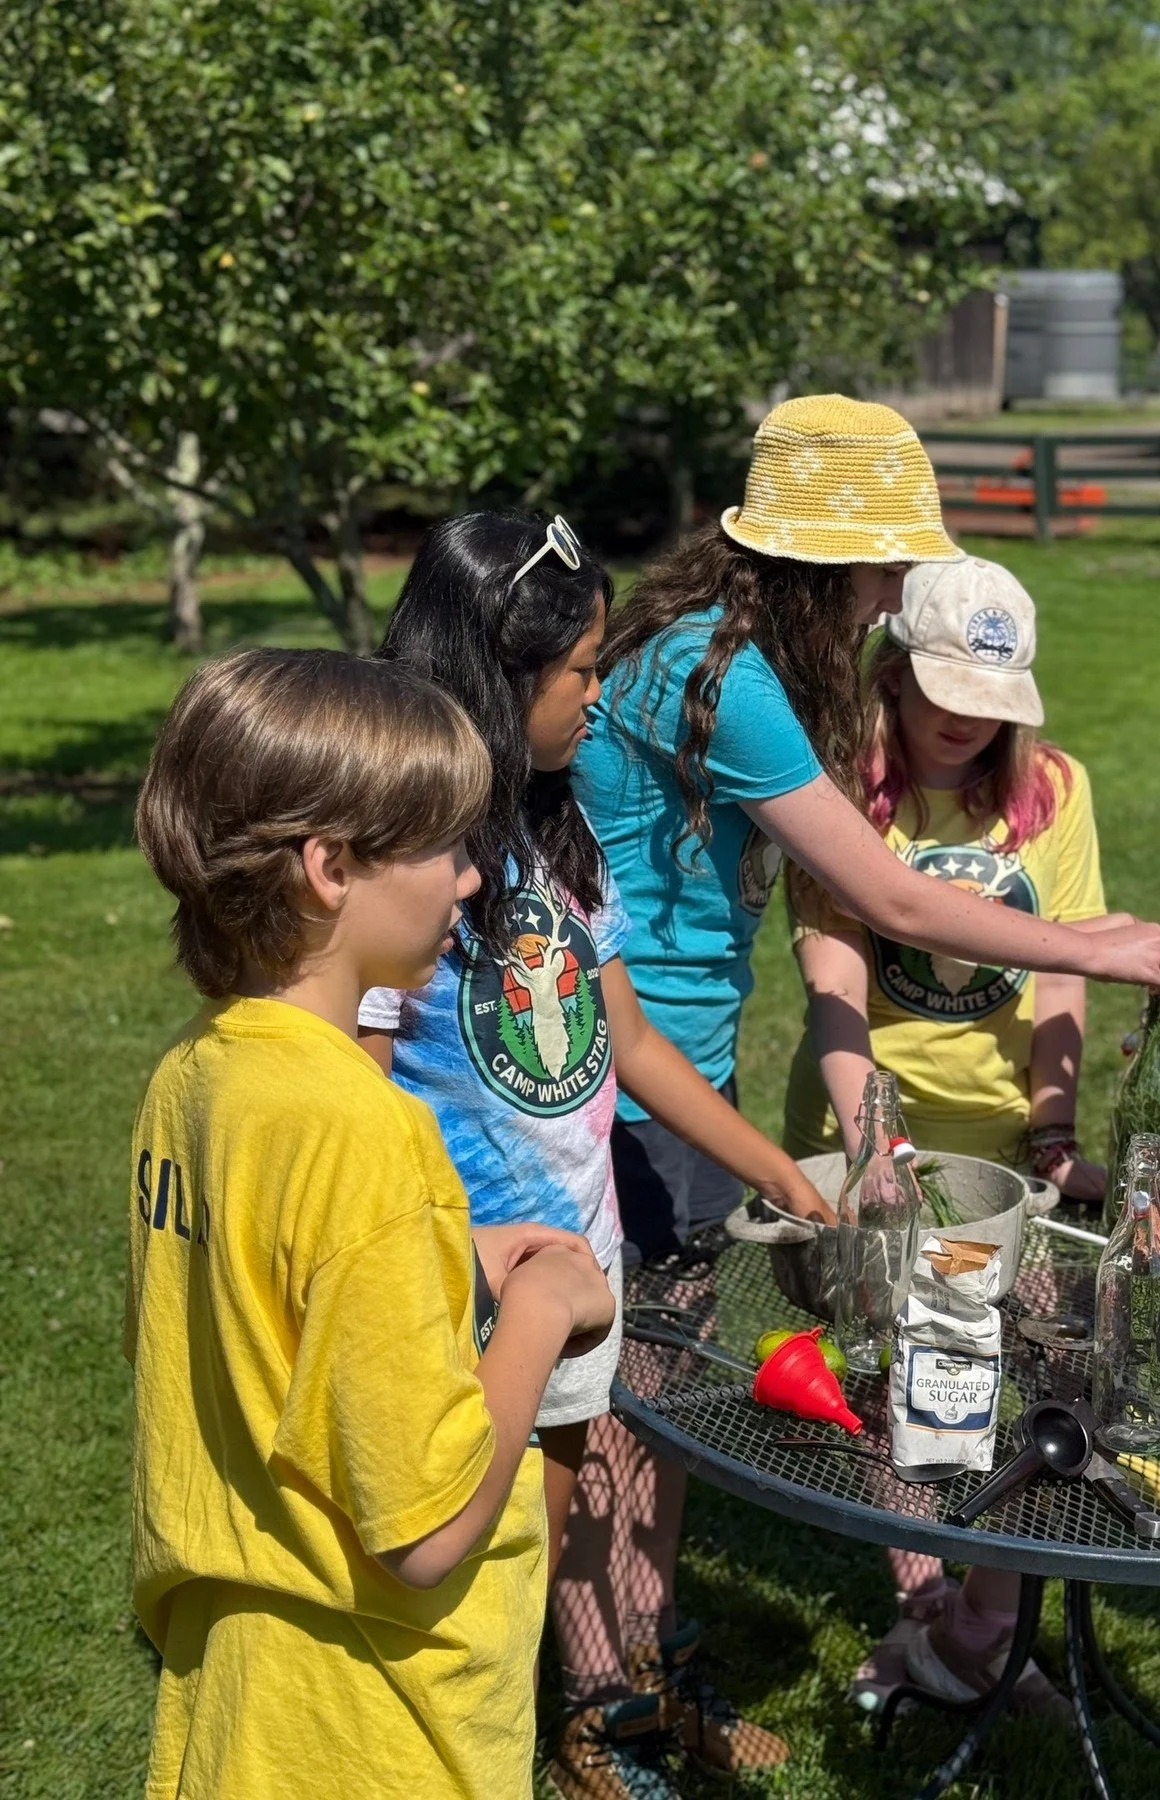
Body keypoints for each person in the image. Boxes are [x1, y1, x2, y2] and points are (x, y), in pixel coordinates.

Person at [573, 396, 1160, 1766]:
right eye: (885, 568)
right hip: (624, 1080)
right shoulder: (730, 682)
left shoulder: (709, 655)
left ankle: (647, 1685)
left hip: (661, 1062)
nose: (896, 591)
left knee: (650, 1398)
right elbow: (886, 901)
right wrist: (1080, 939)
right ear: (824, 564)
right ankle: (610, 1715)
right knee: (629, 1410)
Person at [356, 512, 826, 1800]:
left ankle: (568, 1733)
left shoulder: (555, 839)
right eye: (582, 672)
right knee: (462, 1591)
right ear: (502, 679)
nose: (604, 694)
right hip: (467, 1292)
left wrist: (779, 1170)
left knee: (539, 1561)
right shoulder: (409, 869)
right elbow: (362, 1092)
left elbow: (627, 1040)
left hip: (576, 1283)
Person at [127, 648, 615, 1800]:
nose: (465, 880)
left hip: (239, 1701)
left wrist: (451, 1257)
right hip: (377, 1731)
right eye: (444, 847)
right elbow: (427, 1527)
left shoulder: (197, 1078)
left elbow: (277, 1299)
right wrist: (540, 1313)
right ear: (330, 866)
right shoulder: (367, 1134)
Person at [783, 554, 1107, 1717]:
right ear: (892, 672)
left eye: (991, 702)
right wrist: (876, 1144)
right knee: (904, 1382)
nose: (967, 722)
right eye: (943, 694)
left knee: (1011, 1377)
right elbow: (833, 982)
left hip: (1007, 1143)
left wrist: (1056, 1126)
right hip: (878, 1123)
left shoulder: (1052, 792)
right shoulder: (837, 789)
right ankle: (939, 1622)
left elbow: (1067, 973)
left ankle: (969, 1633)